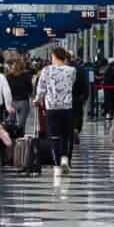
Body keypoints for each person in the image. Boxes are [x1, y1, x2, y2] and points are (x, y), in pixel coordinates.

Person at [35, 45, 77, 179]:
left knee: (54, 137)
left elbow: (41, 89)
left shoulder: (46, 70)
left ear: (53, 57)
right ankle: (65, 158)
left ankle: (57, 165)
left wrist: (37, 100)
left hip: (52, 108)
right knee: (65, 135)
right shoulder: (72, 70)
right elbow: (71, 84)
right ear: (64, 57)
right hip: (67, 107)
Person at [7, 55, 33, 135]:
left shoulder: (8, 76)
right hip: (24, 101)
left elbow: (6, 90)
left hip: (12, 102)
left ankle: (11, 141)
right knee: (22, 124)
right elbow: (30, 89)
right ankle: (21, 140)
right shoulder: (26, 76)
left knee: (11, 123)